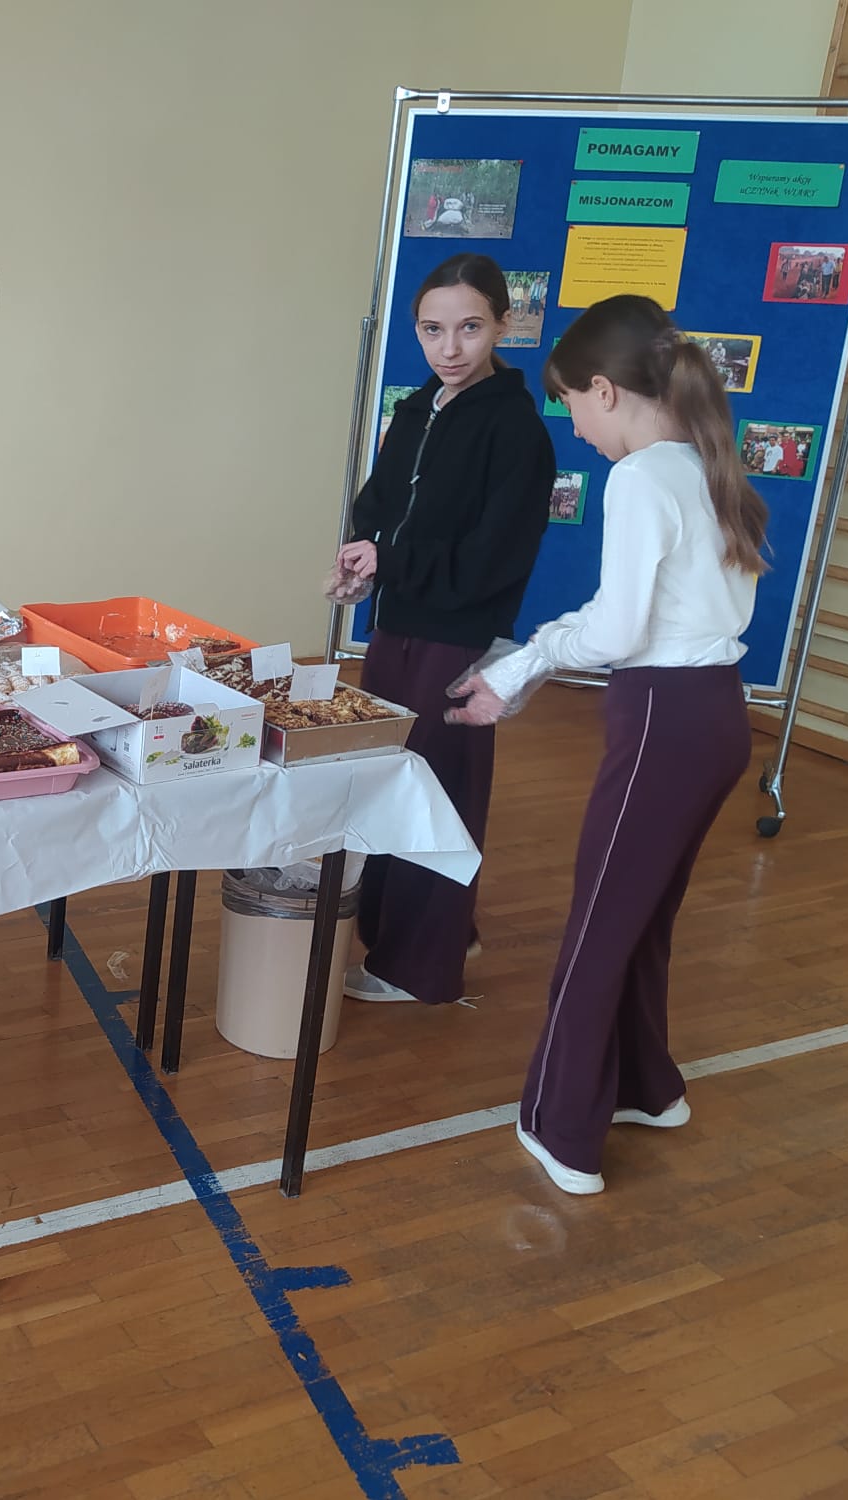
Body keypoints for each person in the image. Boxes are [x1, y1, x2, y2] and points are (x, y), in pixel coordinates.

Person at [446, 294, 767, 1195]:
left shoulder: (642, 477)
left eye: (572, 406)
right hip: (717, 716)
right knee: (641, 915)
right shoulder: (704, 460)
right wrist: (526, 667)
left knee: (599, 924)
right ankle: (645, 1088)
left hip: (663, 718)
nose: (577, 429)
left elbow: (619, 630)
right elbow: (637, 618)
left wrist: (521, 667)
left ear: (605, 390)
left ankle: (564, 1130)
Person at [330, 253, 555, 1006]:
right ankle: (433, 931)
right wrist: (364, 561)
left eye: (469, 328)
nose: (449, 348)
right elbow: (379, 506)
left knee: (437, 790)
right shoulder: (418, 408)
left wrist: (394, 559)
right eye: (432, 329)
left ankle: (418, 969)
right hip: (398, 627)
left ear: (503, 325)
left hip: (460, 638)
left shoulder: (516, 431)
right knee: (391, 778)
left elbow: (493, 560)